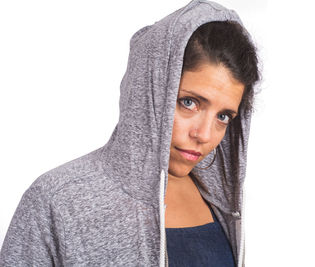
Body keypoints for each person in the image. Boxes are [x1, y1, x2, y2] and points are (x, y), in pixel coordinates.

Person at [0, 0, 261, 266]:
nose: (204, 135)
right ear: (148, 91)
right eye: (189, 102)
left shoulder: (218, 201)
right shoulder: (58, 199)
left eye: (223, 116)